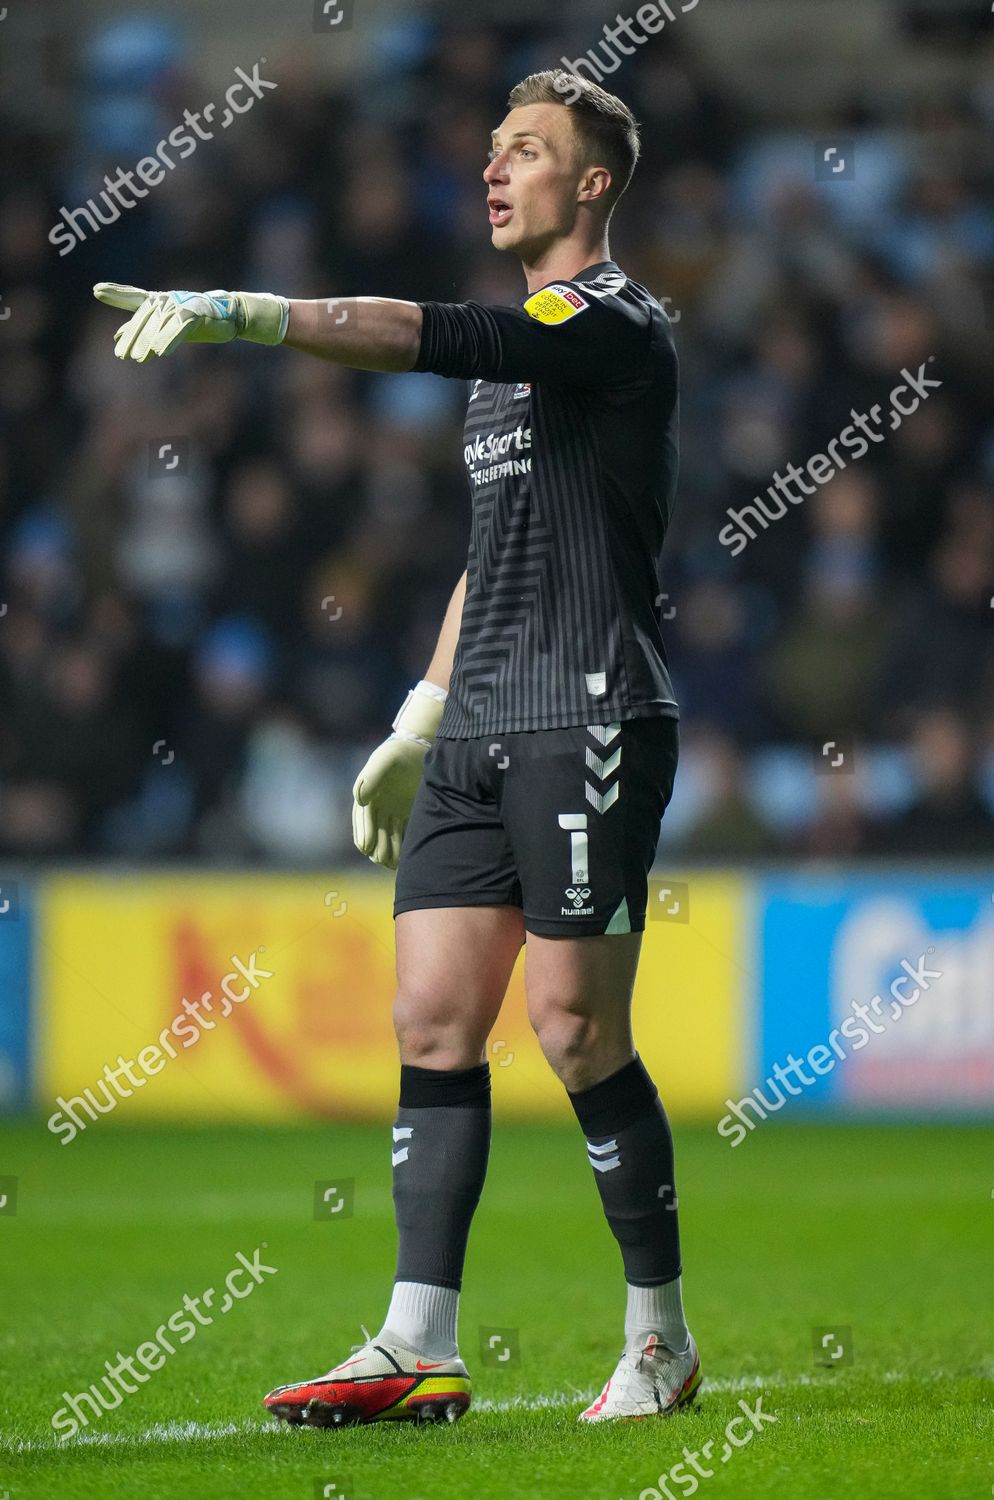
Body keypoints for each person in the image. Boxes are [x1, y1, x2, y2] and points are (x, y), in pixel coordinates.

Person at [94, 68, 699, 1428]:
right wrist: (416, 722)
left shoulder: (612, 324)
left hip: (591, 711)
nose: (497, 169)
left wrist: (246, 314)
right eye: (491, 150)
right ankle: (416, 1341)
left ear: (593, 183)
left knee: (574, 1028)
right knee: (431, 1018)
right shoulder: (512, 383)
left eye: (529, 152)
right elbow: (489, 565)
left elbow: (416, 332)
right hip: (480, 721)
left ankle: (658, 1339)